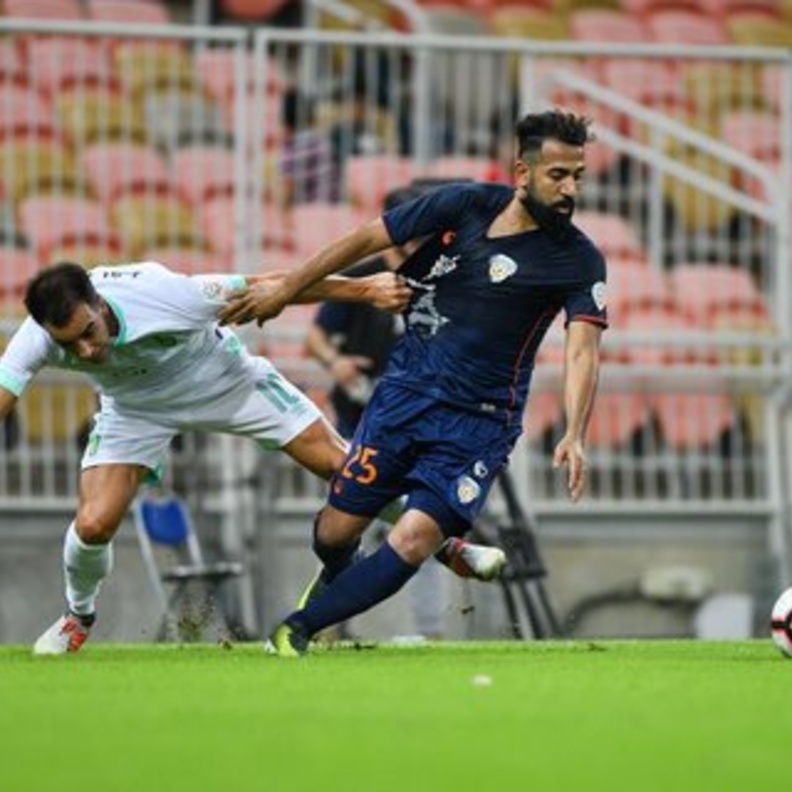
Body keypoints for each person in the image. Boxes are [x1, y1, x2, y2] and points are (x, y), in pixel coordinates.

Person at [219, 109, 608, 656]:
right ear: (522, 173)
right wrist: (287, 289)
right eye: (558, 175)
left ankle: (296, 629)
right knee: (334, 532)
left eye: (578, 176)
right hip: (402, 397)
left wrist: (575, 431)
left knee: (415, 535)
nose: (571, 189)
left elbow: (583, 349)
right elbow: (363, 240)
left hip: (480, 421)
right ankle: (337, 579)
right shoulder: (464, 205)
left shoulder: (579, 259)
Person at [0, 261, 505, 655]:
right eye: (72, 344)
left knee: (343, 467)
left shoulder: (165, 295)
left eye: (90, 331)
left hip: (226, 382)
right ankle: (77, 617)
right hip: (136, 409)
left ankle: (445, 545)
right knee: (93, 524)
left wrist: (364, 289)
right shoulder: (41, 336)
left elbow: (273, 285)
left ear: (99, 301)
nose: (87, 351)